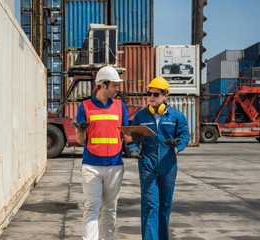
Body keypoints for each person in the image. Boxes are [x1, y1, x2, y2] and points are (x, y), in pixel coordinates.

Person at [127, 77, 190, 240]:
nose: (151, 97)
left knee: (164, 207)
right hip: (147, 164)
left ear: (165, 95)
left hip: (168, 166)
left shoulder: (176, 116)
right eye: (149, 93)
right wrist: (132, 149)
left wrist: (178, 143)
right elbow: (133, 140)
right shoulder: (141, 116)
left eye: (155, 94)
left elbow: (185, 135)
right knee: (150, 206)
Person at [73, 66, 130, 240]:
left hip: (114, 166)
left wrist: (135, 137)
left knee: (110, 209)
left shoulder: (120, 107)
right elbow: (81, 140)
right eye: (114, 85)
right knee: (91, 208)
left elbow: (126, 136)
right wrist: (81, 131)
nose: (117, 90)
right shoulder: (85, 107)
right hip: (91, 167)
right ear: (102, 85)